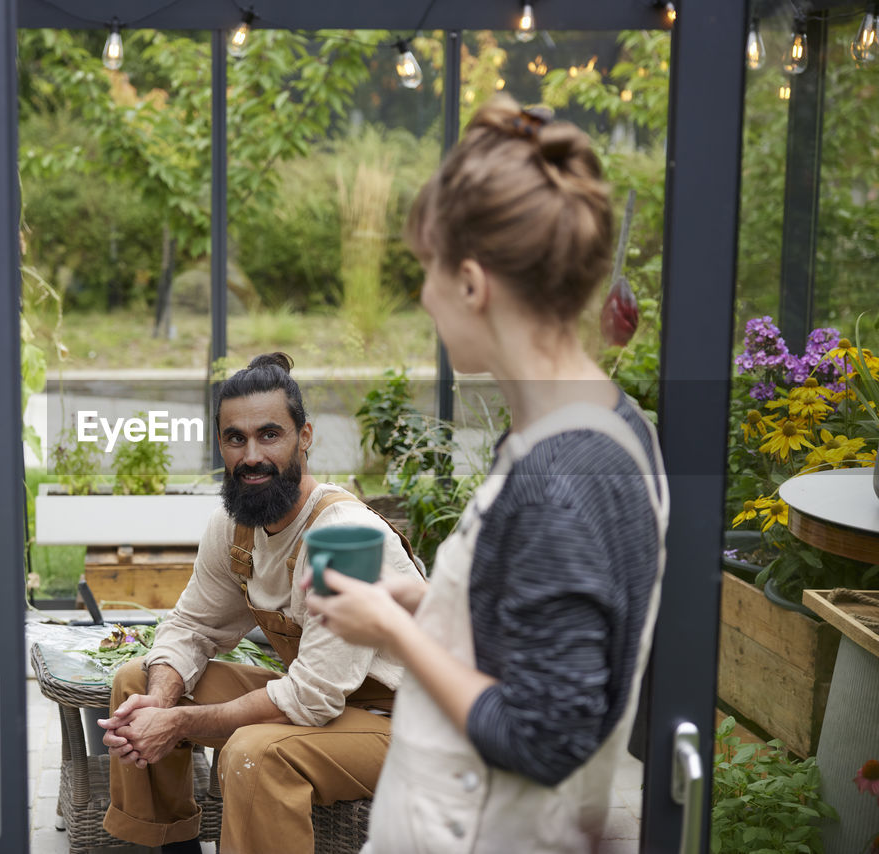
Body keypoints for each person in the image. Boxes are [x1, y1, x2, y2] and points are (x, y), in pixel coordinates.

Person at [307, 95, 669, 853]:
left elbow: (541, 736)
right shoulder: (608, 422)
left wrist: (395, 633)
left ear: (472, 284)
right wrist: (435, 599)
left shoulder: (559, 479)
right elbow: (545, 630)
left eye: (428, 272)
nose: (423, 296)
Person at [98, 352, 426, 854]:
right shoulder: (233, 529)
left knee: (254, 752)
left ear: (305, 437)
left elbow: (311, 699)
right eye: (236, 438)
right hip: (330, 704)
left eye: (269, 434)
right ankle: (168, 847)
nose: (251, 456)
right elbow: (191, 627)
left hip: (406, 726)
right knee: (137, 681)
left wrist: (179, 723)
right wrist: (161, 702)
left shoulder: (343, 535)